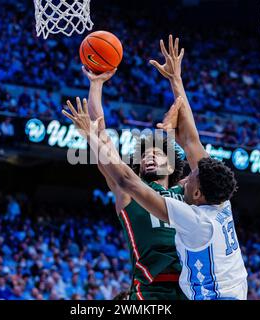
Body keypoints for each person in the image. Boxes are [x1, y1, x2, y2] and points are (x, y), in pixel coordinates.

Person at [80, 50, 187, 299]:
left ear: (172, 166)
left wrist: (176, 81)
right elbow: (102, 137)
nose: (149, 156)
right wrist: (96, 85)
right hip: (150, 290)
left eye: (157, 153)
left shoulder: (186, 191)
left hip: (192, 286)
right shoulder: (128, 191)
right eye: (144, 155)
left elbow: (193, 144)